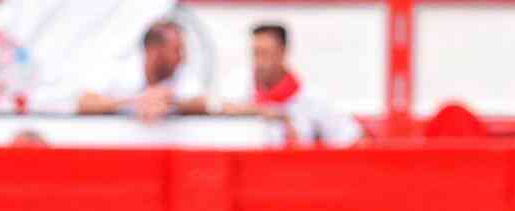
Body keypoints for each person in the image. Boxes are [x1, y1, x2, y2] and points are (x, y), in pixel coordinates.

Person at [222, 23, 361, 147]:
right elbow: (220, 110)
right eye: (255, 53)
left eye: (265, 54)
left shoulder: (312, 98)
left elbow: (352, 139)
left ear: (283, 52)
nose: (258, 62)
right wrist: (261, 111)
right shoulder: (238, 84)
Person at [76, 19, 206, 125]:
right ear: (154, 51)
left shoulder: (180, 71)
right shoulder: (120, 69)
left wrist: (170, 102)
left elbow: (201, 103)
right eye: (176, 50)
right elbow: (85, 103)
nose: (182, 57)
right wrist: (133, 102)